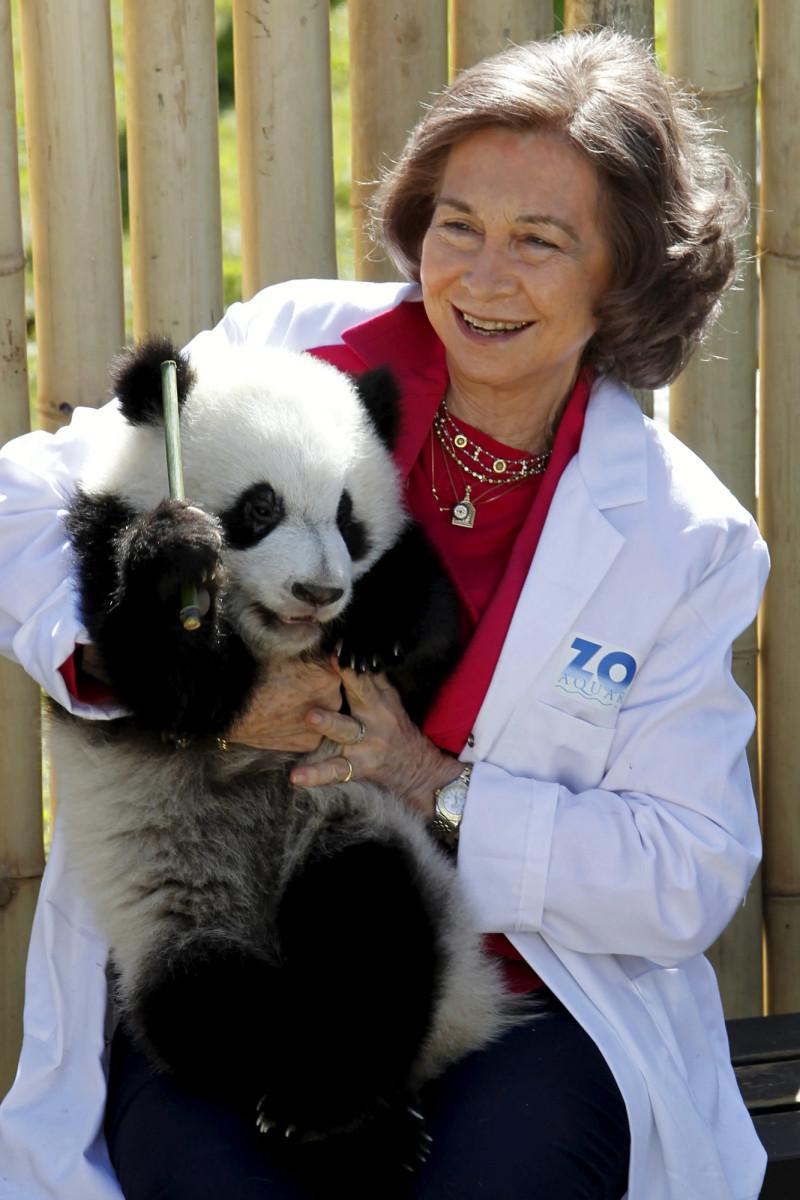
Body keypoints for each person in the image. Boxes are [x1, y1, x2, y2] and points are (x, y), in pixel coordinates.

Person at [0, 27, 769, 1200]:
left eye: (539, 242)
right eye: (457, 224)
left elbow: (686, 873)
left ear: (624, 276)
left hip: (514, 985)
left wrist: (432, 782)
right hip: (228, 937)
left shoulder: (683, 537)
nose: (481, 275)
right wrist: (138, 675)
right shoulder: (290, 352)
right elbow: (30, 493)